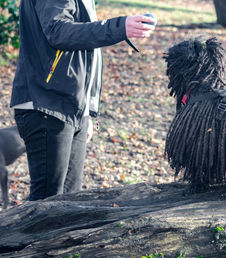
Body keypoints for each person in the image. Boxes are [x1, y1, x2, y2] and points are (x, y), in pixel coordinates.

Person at [10, 0, 156, 201]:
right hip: (46, 105)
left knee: (70, 203)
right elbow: (58, 31)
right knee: (45, 205)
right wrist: (119, 27)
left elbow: (83, 50)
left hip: (72, 108)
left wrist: (86, 110)